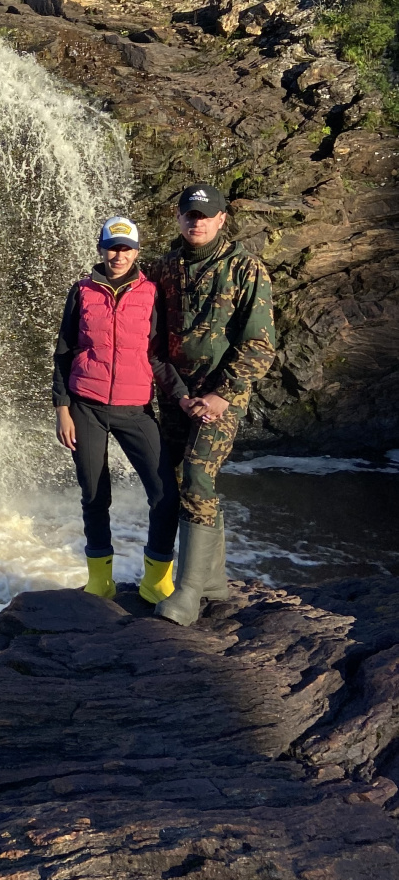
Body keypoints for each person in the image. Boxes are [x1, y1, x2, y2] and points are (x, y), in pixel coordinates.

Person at [146, 183, 277, 626]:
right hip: (178, 396)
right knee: (180, 479)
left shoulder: (245, 267)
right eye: (189, 214)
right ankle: (214, 583)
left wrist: (222, 394)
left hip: (222, 397)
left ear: (222, 219)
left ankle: (186, 594)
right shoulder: (164, 268)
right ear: (179, 219)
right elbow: (154, 340)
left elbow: (260, 344)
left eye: (205, 215)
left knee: (198, 479)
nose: (196, 222)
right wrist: (180, 394)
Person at [53, 215, 188, 606]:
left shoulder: (150, 293)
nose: (119, 254)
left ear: (136, 252)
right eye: (113, 246)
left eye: (126, 248)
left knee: (165, 495)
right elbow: (63, 353)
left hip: (135, 409)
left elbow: (158, 356)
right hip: (86, 408)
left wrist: (181, 396)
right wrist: (62, 409)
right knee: (95, 495)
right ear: (102, 248)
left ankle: (156, 582)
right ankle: (100, 582)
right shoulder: (81, 292)